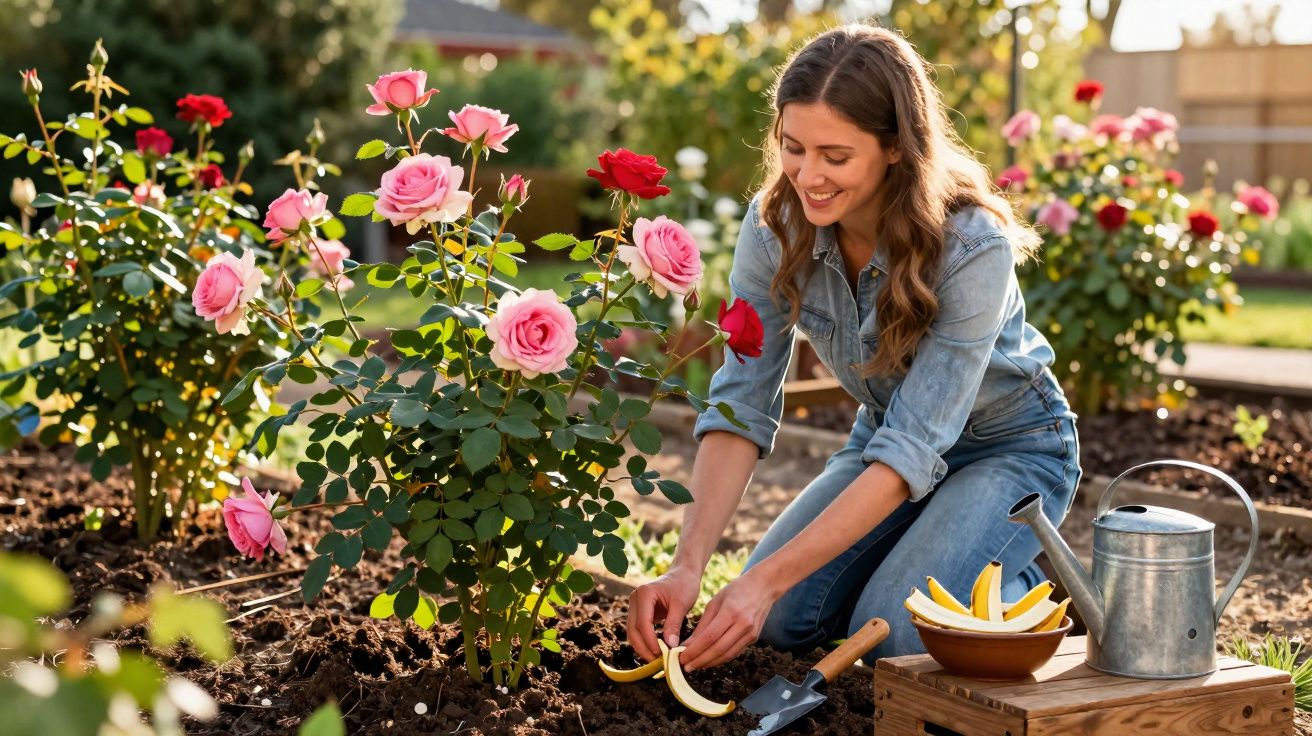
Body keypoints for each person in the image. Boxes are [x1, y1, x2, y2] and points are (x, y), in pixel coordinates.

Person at [624, 23, 1082, 673]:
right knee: (780, 623)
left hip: (1010, 449)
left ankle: (1029, 583)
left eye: (835, 157)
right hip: (886, 442)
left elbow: (912, 452)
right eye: (793, 148)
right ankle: (936, 557)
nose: (808, 176)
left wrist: (764, 578)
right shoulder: (774, 228)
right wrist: (686, 566)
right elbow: (741, 403)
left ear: (895, 147)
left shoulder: (972, 245)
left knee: (901, 632)